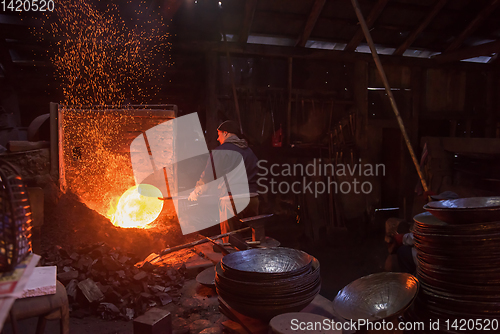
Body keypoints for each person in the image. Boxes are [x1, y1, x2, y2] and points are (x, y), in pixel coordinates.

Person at [188, 120, 259, 242]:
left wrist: (196, 192)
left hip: (232, 200)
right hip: (253, 199)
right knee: (251, 239)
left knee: (230, 240)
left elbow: (208, 177)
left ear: (225, 133)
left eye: (219, 134)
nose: (217, 138)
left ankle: (231, 259)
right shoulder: (249, 151)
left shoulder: (221, 152)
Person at [393, 191, 459, 274]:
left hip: (434, 260)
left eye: (441, 202)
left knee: (403, 252)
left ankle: (411, 280)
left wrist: (403, 238)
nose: (438, 205)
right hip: (444, 259)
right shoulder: (456, 219)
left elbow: (419, 236)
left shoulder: (441, 220)